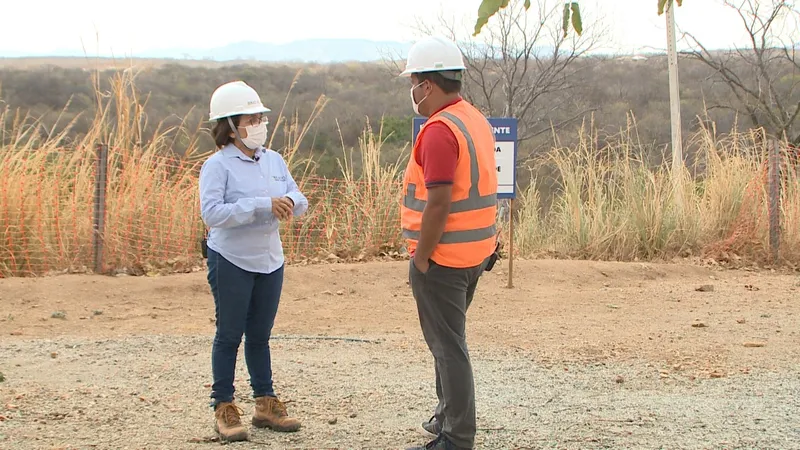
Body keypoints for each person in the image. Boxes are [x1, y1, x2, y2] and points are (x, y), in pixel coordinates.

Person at [399, 36, 499, 450]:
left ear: (429, 84)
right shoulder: (472, 117)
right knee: (448, 343)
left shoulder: (439, 131)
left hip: (443, 260)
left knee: (448, 348)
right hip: (475, 253)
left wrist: (421, 258)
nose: (413, 92)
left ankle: (456, 437)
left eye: (415, 82)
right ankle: (446, 415)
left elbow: (438, 201)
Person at [198, 80, 309, 442]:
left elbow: (298, 195)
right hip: (231, 258)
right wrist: (261, 205)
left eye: (261, 116)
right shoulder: (217, 166)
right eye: (251, 118)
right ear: (230, 125)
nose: (260, 123)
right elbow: (212, 213)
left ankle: (265, 402)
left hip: (269, 259)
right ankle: (224, 406)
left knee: (260, 335)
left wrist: (291, 202)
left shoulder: (273, 160)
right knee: (229, 334)